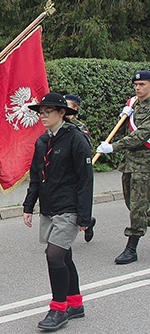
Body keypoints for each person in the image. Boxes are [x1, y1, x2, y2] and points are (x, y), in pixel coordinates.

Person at [23, 93, 93, 331]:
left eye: (48, 111)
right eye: (40, 112)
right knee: (64, 256)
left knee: (54, 255)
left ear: (62, 113)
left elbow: (86, 180)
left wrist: (84, 216)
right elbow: (35, 177)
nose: (42, 116)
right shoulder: (43, 141)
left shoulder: (76, 139)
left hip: (69, 208)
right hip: (50, 208)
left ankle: (58, 308)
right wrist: (28, 206)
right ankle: (76, 303)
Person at [96, 70, 150, 264]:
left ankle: (131, 248)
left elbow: (141, 135)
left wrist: (113, 147)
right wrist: (127, 115)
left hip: (145, 165)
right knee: (132, 204)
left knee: (137, 207)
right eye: (136, 85)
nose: (138, 88)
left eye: (142, 84)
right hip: (129, 163)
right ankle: (142, 221)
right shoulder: (134, 105)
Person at [64, 94, 97, 242]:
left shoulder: (79, 127)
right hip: (62, 171)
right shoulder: (57, 124)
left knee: (77, 202)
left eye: (68, 106)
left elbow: (86, 148)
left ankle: (87, 222)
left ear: (75, 109)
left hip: (77, 170)